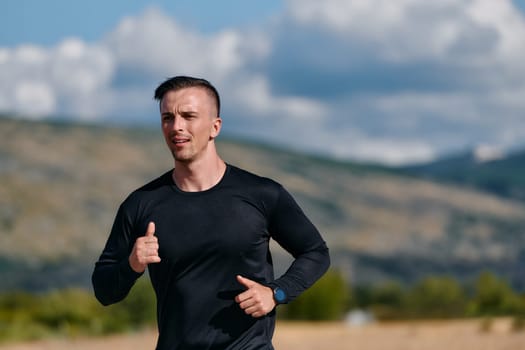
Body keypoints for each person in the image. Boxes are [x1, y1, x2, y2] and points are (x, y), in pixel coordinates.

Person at [92, 75, 330, 350]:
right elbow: (103, 289)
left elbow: (316, 252)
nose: (176, 126)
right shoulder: (141, 204)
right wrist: (132, 264)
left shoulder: (262, 194)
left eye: (188, 116)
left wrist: (276, 292)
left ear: (215, 127)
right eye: (167, 117)